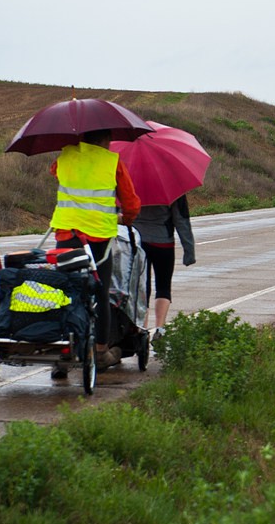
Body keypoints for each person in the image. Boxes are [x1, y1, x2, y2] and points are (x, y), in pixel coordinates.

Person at [50, 129, 141, 375]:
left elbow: (55, 172)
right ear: (104, 139)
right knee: (101, 293)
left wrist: (73, 148)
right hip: (99, 238)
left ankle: (61, 352)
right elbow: (131, 203)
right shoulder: (112, 162)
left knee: (66, 291)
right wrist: (128, 218)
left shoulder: (65, 156)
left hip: (67, 234)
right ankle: (100, 352)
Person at [133, 194, 196, 344]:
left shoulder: (132, 183)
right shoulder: (171, 188)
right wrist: (189, 251)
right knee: (163, 286)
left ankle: (142, 329)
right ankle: (159, 329)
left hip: (138, 243)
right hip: (163, 243)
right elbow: (181, 219)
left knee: (142, 289)